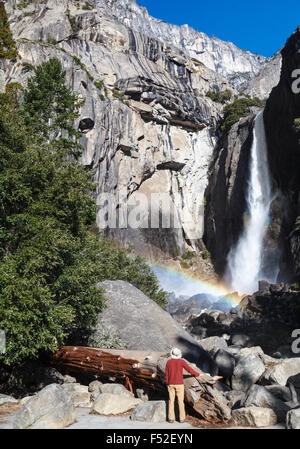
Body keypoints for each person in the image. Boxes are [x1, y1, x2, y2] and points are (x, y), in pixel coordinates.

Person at [165, 347, 201, 423]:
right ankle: (181, 419)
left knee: (171, 401)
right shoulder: (181, 361)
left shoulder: (168, 362)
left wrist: (167, 383)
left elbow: (167, 374)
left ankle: (171, 418)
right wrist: (197, 374)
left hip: (171, 384)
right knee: (180, 401)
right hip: (179, 384)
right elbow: (189, 370)